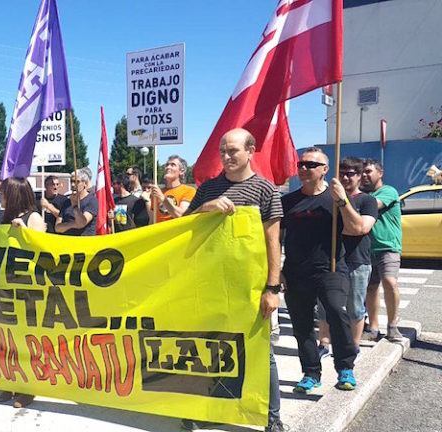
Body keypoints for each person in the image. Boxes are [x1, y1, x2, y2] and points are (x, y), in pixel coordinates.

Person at [181, 128, 285, 432]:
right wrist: (206, 208)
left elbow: (272, 241)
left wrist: (272, 288)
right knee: (212, 349)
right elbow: (185, 228)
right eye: (223, 151)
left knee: (260, 353)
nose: (226, 157)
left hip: (250, 288)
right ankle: (210, 410)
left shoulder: (266, 190)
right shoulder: (209, 188)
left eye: (233, 151)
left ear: (251, 150)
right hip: (211, 284)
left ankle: (271, 417)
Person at [282, 147, 360, 394]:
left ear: (325, 170)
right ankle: (311, 373)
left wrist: (343, 201)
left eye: (311, 165)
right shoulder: (287, 201)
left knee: (337, 312)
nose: (304, 169)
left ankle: (345, 367)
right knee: (302, 325)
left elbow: (355, 228)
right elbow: (274, 237)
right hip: (295, 271)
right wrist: (277, 272)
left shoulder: (336, 199)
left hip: (331, 268)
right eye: (301, 164)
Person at [316, 157, 377, 357]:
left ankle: (353, 346)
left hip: (357, 261)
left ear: (359, 177)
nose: (345, 177)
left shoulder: (366, 201)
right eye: (341, 173)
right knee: (326, 306)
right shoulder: (326, 199)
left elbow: (360, 228)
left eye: (350, 173)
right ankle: (324, 344)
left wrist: (343, 202)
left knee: (355, 308)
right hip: (331, 260)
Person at [0, 177, 46, 408]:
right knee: (8, 338)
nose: (0, 196)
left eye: (4, 192)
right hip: (8, 284)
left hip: (28, 287)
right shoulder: (6, 218)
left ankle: (29, 388)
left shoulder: (33, 217)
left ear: (14, 195)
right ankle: (10, 381)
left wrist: (24, 230)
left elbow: (43, 247)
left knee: (26, 339)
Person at [361, 159, 403, 342]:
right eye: (362, 172)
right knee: (370, 289)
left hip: (388, 246)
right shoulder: (361, 195)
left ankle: (393, 326)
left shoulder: (388, 191)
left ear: (380, 173)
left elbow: (373, 205)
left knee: (389, 281)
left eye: (369, 171)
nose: (364, 175)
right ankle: (373, 327)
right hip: (367, 249)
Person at [150, 156, 196, 223]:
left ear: (181, 171)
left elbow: (182, 215)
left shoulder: (189, 191)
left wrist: (162, 198)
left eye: (173, 165)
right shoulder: (156, 192)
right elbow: (152, 220)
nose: (168, 167)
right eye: (167, 165)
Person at [55, 167, 98, 236]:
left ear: (85, 183)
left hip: (84, 243)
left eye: (77, 182)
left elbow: (82, 223)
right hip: (68, 243)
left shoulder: (92, 201)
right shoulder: (67, 202)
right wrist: (74, 224)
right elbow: (57, 228)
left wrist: (75, 206)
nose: (72, 185)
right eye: (71, 181)